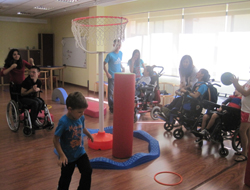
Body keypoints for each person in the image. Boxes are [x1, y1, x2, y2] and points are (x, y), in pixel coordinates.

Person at [53, 92, 94, 190]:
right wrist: (62, 155)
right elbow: (55, 140)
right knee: (65, 179)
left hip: (80, 152)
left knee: (87, 171)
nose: (82, 114)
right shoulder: (63, 122)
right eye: (80, 112)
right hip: (67, 156)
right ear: (70, 109)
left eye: (83, 111)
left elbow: (82, 127)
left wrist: (88, 134)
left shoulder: (81, 117)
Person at [231, 75, 250, 162]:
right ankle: (246, 151)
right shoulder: (249, 81)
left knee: (242, 131)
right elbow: (241, 90)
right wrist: (235, 84)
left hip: (248, 111)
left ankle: (244, 154)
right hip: (244, 109)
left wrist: (236, 83)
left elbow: (246, 93)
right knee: (247, 132)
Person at [104, 39, 125, 113]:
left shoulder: (121, 53)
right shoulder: (110, 55)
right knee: (111, 92)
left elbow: (119, 61)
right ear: (113, 45)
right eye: (116, 45)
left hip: (119, 76)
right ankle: (112, 107)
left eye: (119, 45)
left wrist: (122, 67)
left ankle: (118, 105)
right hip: (112, 76)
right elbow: (103, 64)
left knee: (119, 92)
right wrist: (107, 73)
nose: (118, 46)